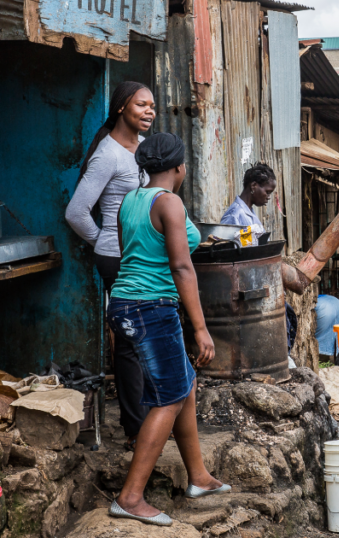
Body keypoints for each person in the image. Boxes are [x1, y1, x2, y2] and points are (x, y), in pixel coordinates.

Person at [106, 133, 226, 526]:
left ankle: (199, 477)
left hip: (123, 303)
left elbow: (129, 253)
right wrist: (201, 328)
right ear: (179, 167)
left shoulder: (130, 200)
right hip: (151, 308)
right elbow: (181, 267)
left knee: (183, 383)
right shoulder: (169, 203)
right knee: (170, 398)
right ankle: (130, 497)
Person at [65, 81, 155, 450]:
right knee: (130, 342)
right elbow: (76, 213)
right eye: (141, 105)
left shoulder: (143, 148)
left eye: (152, 106)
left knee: (145, 337)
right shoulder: (108, 155)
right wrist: (105, 241)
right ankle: (136, 429)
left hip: (140, 256)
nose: (149, 111)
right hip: (118, 258)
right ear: (121, 107)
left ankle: (149, 419)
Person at [219, 163, 276, 237]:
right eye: (267, 192)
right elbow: (224, 243)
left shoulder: (250, 213)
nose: (269, 197)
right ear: (253, 186)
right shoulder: (234, 215)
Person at [315, 295, 339, 363]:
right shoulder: (334, 300)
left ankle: (321, 360)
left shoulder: (318, 299)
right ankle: (337, 361)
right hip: (337, 304)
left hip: (323, 308)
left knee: (314, 337)